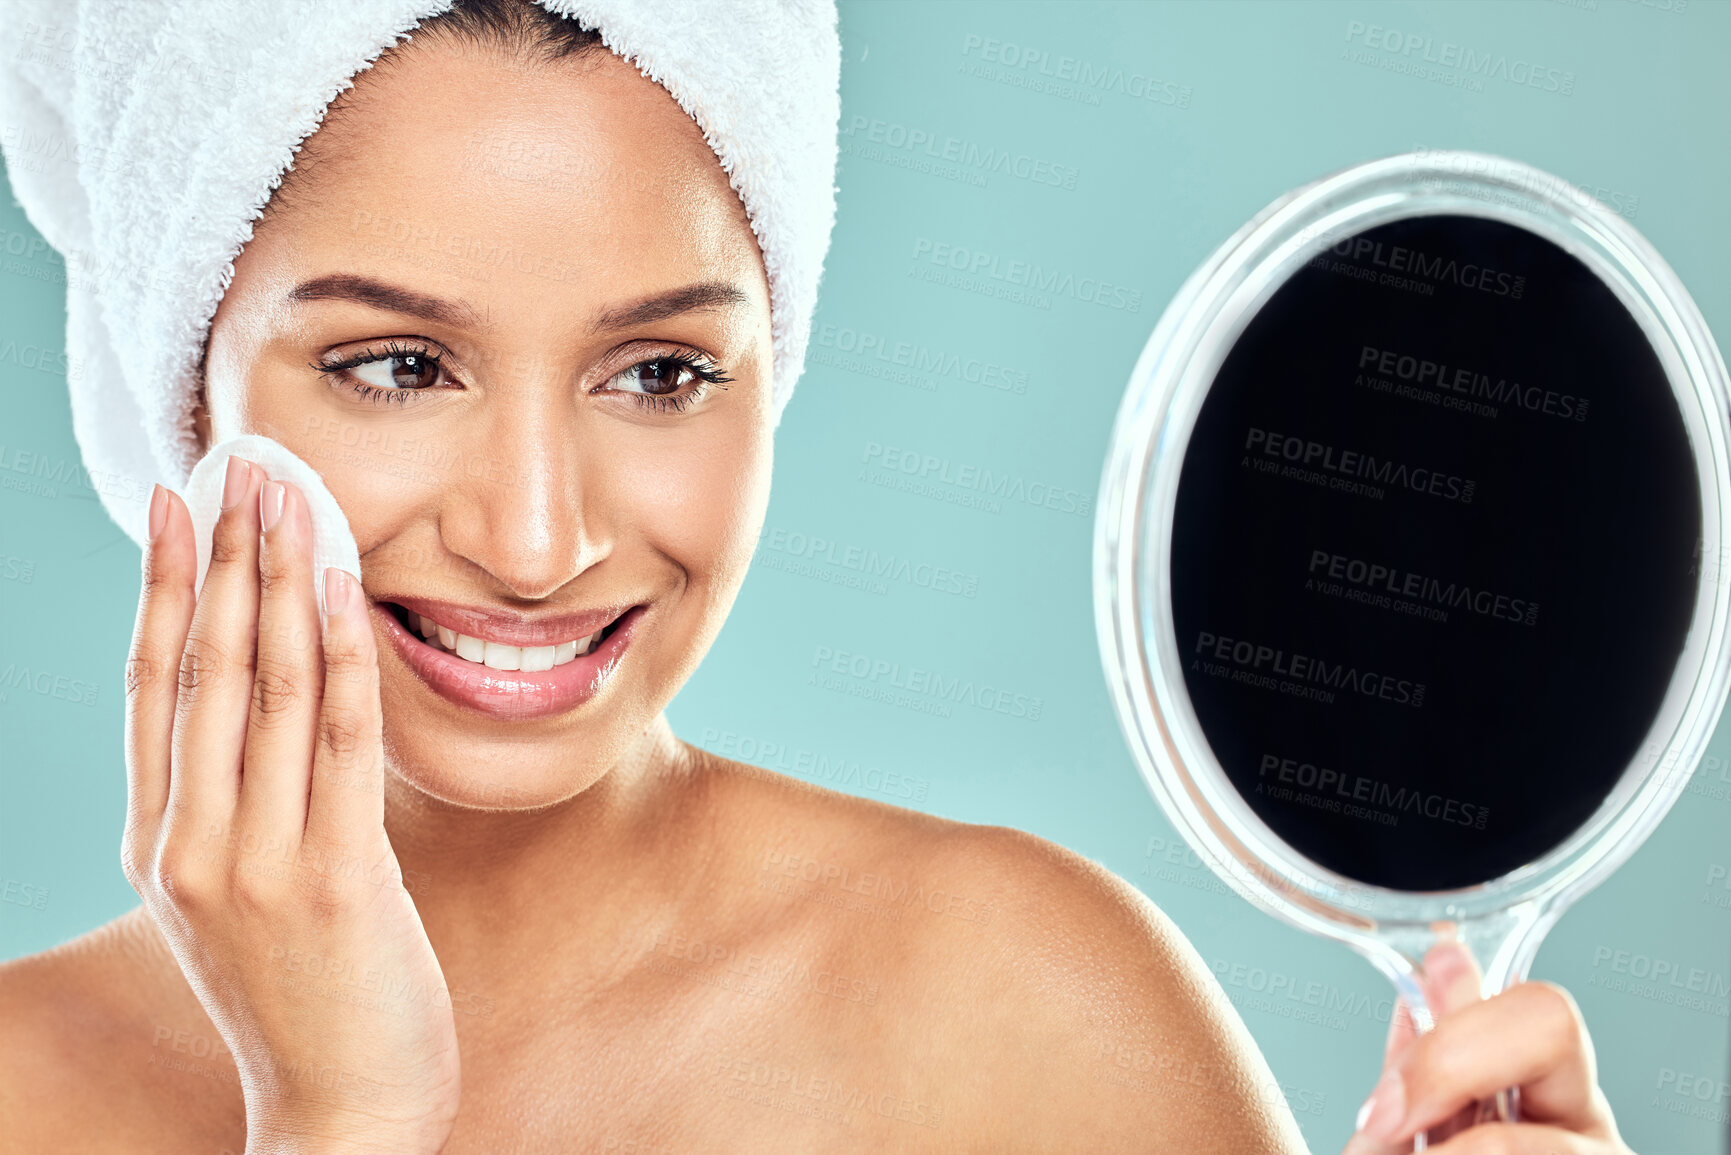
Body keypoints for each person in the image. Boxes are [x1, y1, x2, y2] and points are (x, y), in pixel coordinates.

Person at [0, 2, 1638, 1151]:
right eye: (397, 364)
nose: (534, 538)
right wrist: (339, 1121)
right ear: (182, 386)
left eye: (659, 375)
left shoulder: (1023, 1019)